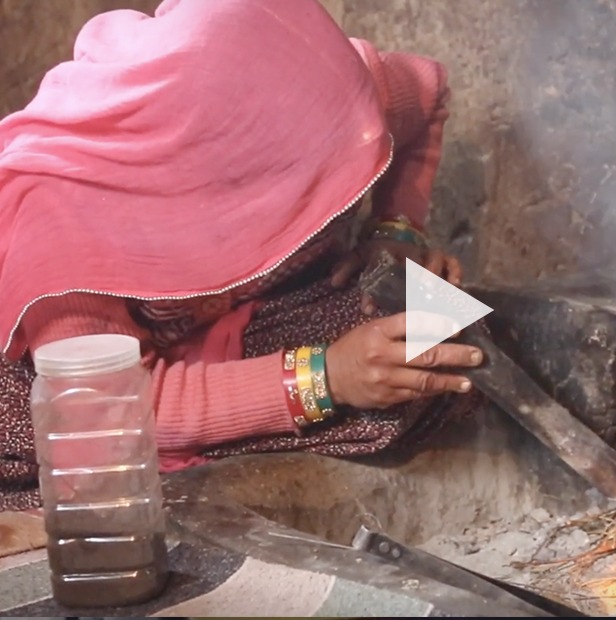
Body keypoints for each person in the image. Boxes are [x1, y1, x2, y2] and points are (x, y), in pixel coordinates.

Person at [0, 0, 484, 511]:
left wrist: (397, 232)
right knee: (32, 422)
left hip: (251, 320)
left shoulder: (324, 93)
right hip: (98, 388)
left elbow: (427, 95)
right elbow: (110, 405)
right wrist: (327, 378)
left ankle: (225, 430)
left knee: (438, 337)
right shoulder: (62, 209)